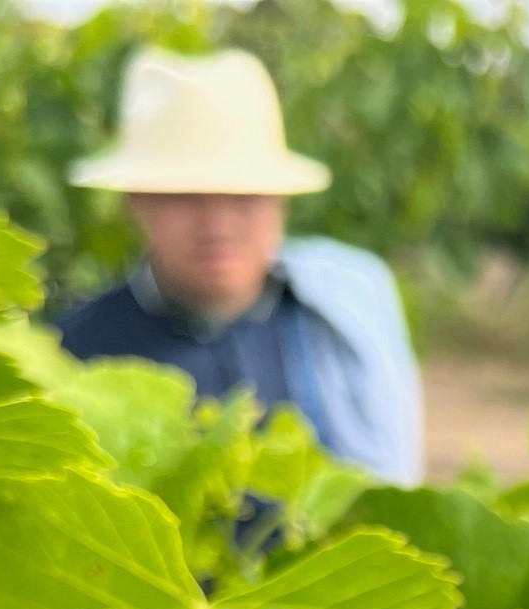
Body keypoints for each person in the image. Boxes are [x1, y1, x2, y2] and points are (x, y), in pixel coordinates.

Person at [59, 47, 423, 486]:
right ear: (136, 200)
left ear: (280, 203)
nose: (217, 224)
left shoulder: (341, 322)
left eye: (243, 196)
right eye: (186, 197)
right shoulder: (75, 353)